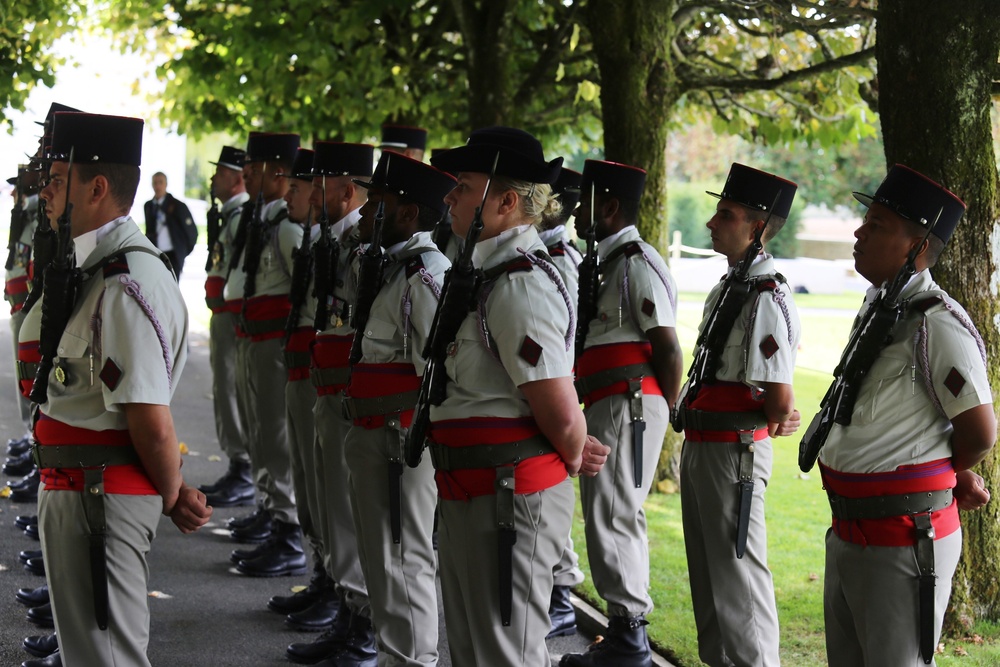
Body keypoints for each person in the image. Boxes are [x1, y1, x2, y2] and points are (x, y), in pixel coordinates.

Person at [23, 110, 211, 667]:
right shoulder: (91, 266)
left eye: (59, 180)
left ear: (97, 187)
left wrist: (174, 494)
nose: (48, 192)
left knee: (109, 658)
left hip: (100, 498)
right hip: (80, 491)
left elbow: (149, 417)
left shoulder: (125, 281)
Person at [426, 126, 609, 666]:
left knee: (506, 653)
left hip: (507, 497)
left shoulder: (519, 283)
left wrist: (575, 446)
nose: (449, 196)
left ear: (506, 201)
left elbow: (556, 405)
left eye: (463, 185)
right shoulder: (484, 272)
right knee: (473, 649)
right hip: (474, 489)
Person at [809, 164, 995, 667]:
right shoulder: (879, 309)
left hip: (903, 538)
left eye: (877, 225)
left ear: (916, 247)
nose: (858, 231)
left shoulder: (938, 321)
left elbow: (979, 430)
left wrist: (945, 473)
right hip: (850, 530)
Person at [673, 163, 801, 667]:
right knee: (709, 577)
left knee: (739, 579)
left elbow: (778, 399)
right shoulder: (732, 284)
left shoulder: (767, 294)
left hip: (734, 453)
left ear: (758, 227)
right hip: (706, 444)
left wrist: (777, 417)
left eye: (725, 214)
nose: (711, 222)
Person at [561, 159, 684, 667]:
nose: (573, 212)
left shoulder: (637, 261)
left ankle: (629, 638)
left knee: (614, 511)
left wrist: (666, 407)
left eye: (585, 200)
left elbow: (668, 346)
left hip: (628, 401)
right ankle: (622, 632)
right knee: (605, 511)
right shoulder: (608, 260)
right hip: (610, 399)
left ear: (609, 207)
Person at [343, 152, 455, 665]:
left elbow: (440, 376)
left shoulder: (428, 277)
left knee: (403, 558)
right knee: (380, 558)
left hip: (399, 442)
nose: (365, 213)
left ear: (408, 214)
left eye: (377, 203)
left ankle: (412, 659)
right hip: (374, 434)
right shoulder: (391, 268)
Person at [284, 140, 375, 666]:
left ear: (345, 189)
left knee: (348, 510)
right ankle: (345, 604)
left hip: (351, 400)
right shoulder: (332, 243)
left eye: (319, 183)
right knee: (327, 504)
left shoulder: (364, 250)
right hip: (328, 390)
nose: (312, 193)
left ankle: (361, 625)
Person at [224, 132, 307, 577]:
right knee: (259, 430)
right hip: (253, 337)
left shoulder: (289, 229)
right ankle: (270, 506)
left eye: (255, 169)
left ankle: (288, 529)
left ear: (279, 173)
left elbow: (303, 294)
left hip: (275, 344)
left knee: (276, 434)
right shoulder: (264, 222)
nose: (247, 176)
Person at [538, 164, 586, 638]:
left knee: (554, 498)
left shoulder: (563, 261)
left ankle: (561, 596)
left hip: (559, 387)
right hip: (549, 386)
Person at [200, 145, 254, 507]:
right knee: (225, 388)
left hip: (233, 317)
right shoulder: (232, 215)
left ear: (237, 178)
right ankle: (240, 464)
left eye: (220, 172)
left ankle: (244, 467)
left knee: (233, 389)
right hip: (223, 315)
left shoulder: (244, 217)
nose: (213, 178)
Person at [143, 171, 197, 280]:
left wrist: (182, 252)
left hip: (173, 254)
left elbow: (192, 233)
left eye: (160, 182)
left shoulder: (177, 205)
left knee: (172, 285)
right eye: (155, 183)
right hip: (156, 253)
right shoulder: (149, 206)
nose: (157, 186)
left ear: (166, 184)